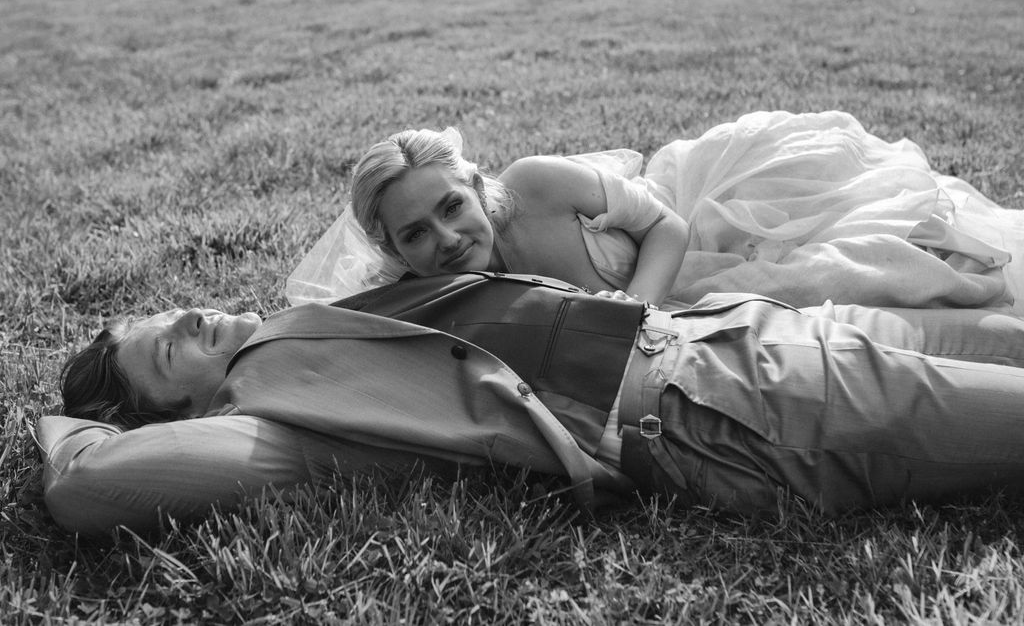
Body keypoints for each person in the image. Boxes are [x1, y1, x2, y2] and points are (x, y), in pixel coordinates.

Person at [42, 271, 1024, 534]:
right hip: (739, 407)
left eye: (171, 311)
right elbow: (88, 487)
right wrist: (63, 426)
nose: (191, 313)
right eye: (166, 346)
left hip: (739, 329)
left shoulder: (305, 326)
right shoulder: (272, 419)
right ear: (175, 413)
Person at [286, 111, 1024, 312]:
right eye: (417, 232)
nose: (447, 238)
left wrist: (635, 308)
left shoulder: (535, 184)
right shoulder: (426, 292)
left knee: (850, 258)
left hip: (701, 206)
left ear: (477, 188)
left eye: (452, 206)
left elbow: (663, 227)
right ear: (392, 248)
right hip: (662, 287)